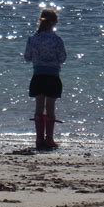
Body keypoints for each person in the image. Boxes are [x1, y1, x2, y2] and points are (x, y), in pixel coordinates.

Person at [24, 8, 67, 150]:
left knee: (38, 107)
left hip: (38, 76)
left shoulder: (33, 39)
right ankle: (49, 139)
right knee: (50, 108)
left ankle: (39, 140)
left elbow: (27, 57)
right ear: (54, 23)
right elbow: (63, 58)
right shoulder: (57, 40)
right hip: (52, 76)